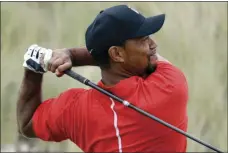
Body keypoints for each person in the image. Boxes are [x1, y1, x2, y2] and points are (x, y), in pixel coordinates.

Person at [17, 5, 189, 152]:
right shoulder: (170, 86)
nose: (153, 45)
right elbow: (154, 59)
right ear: (117, 53)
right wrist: (72, 55)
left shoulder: (74, 110)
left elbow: (26, 123)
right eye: (144, 39)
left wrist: (34, 69)